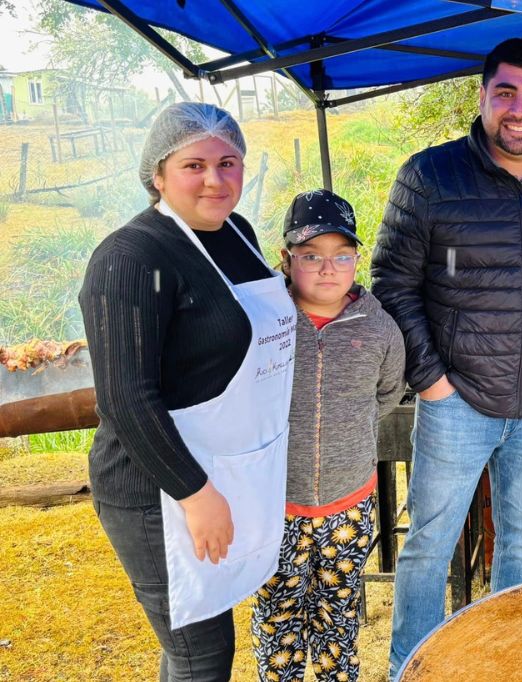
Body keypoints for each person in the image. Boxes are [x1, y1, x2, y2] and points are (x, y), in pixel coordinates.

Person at [370, 37, 522, 676]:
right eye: (505, 92)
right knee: (429, 547)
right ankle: (410, 668)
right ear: (482, 97)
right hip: (456, 403)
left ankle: (508, 665)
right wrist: (432, 382)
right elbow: (391, 283)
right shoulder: (430, 177)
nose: (519, 109)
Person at [79, 103, 296, 680]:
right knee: (201, 653)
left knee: (194, 641)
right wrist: (195, 495)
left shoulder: (237, 234)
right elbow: (126, 399)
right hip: (158, 488)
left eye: (228, 163)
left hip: (228, 469)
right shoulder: (130, 258)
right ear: (157, 173)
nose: (214, 180)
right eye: (193, 165)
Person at [250, 189, 405, 682]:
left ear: (357, 259)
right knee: (278, 618)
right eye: (311, 256)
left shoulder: (379, 328)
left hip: (348, 506)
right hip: (276, 504)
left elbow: (387, 394)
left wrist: (347, 432)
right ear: (286, 258)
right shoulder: (262, 321)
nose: (327, 269)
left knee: (337, 618)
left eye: (341, 255)